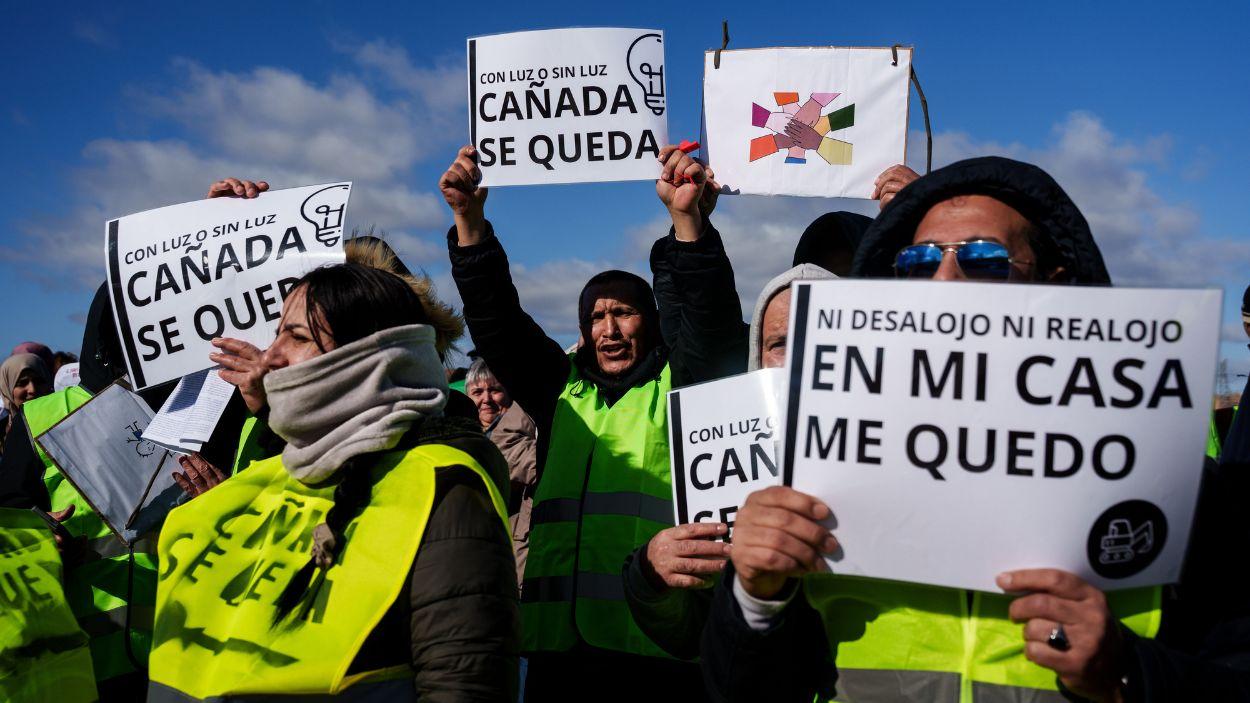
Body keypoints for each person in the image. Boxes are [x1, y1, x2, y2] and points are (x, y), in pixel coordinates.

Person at [700, 156, 1250, 701]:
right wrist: (754, 598)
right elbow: (744, 690)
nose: (944, 281)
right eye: (917, 263)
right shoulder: (821, 479)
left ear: (1055, 282)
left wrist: (1126, 673)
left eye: (985, 259)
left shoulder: (1173, 487)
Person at [440, 144, 742, 699]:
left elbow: (710, 317)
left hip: (661, 650)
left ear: (647, 323)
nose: (609, 329)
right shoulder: (558, 390)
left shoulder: (685, 385)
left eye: (623, 312)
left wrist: (686, 221)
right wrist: (469, 221)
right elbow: (496, 321)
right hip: (560, 657)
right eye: (596, 316)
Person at [147, 262, 519, 701]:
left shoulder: (447, 490)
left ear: (364, 358)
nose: (271, 356)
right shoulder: (265, 478)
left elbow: (464, 682)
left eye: (299, 337)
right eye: (278, 332)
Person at [466, 357, 539, 584]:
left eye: (495, 390)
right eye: (477, 392)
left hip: (513, 552)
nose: (486, 399)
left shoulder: (518, 432)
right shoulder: (464, 437)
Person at [0, 353, 51, 455]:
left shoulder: (65, 421)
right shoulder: (2, 431)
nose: (32, 389)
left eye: (38, 381)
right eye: (22, 383)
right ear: (7, 388)